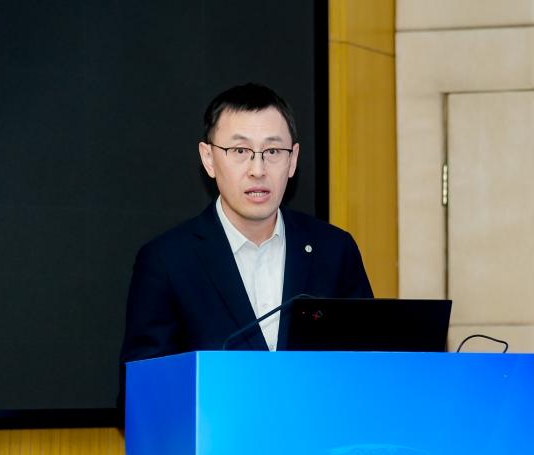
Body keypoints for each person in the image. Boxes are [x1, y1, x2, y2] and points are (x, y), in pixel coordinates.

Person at [119, 82, 373, 373]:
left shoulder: (334, 250)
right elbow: (143, 386)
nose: (258, 170)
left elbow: (369, 364)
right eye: (240, 150)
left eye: (273, 151)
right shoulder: (167, 261)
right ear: (208, 158)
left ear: (292, 160)